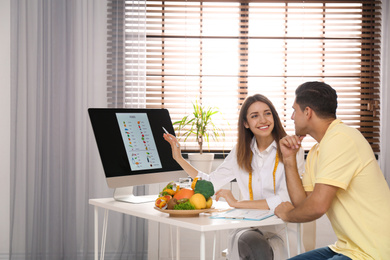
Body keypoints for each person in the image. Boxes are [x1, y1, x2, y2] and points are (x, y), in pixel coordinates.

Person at [164, 94, 305, 260]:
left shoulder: (292, 149)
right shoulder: (240, 151)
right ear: (246, 123)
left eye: (267, 113)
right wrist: (179, 158)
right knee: (255, 245)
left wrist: (237, 203)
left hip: (282, 227)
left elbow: (285, 198)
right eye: (254, 116)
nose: (263, 120)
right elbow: (209, 183)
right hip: (248, 227)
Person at [275, 81, 390, 259]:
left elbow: (317, 207)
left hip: (374, 252)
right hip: (347, 248)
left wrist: (287, 215)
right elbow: (302, 203)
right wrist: (289, 159)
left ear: (307, 112)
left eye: (294, 110)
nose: (291, 117)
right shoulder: (317, 151)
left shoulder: (342, 138)